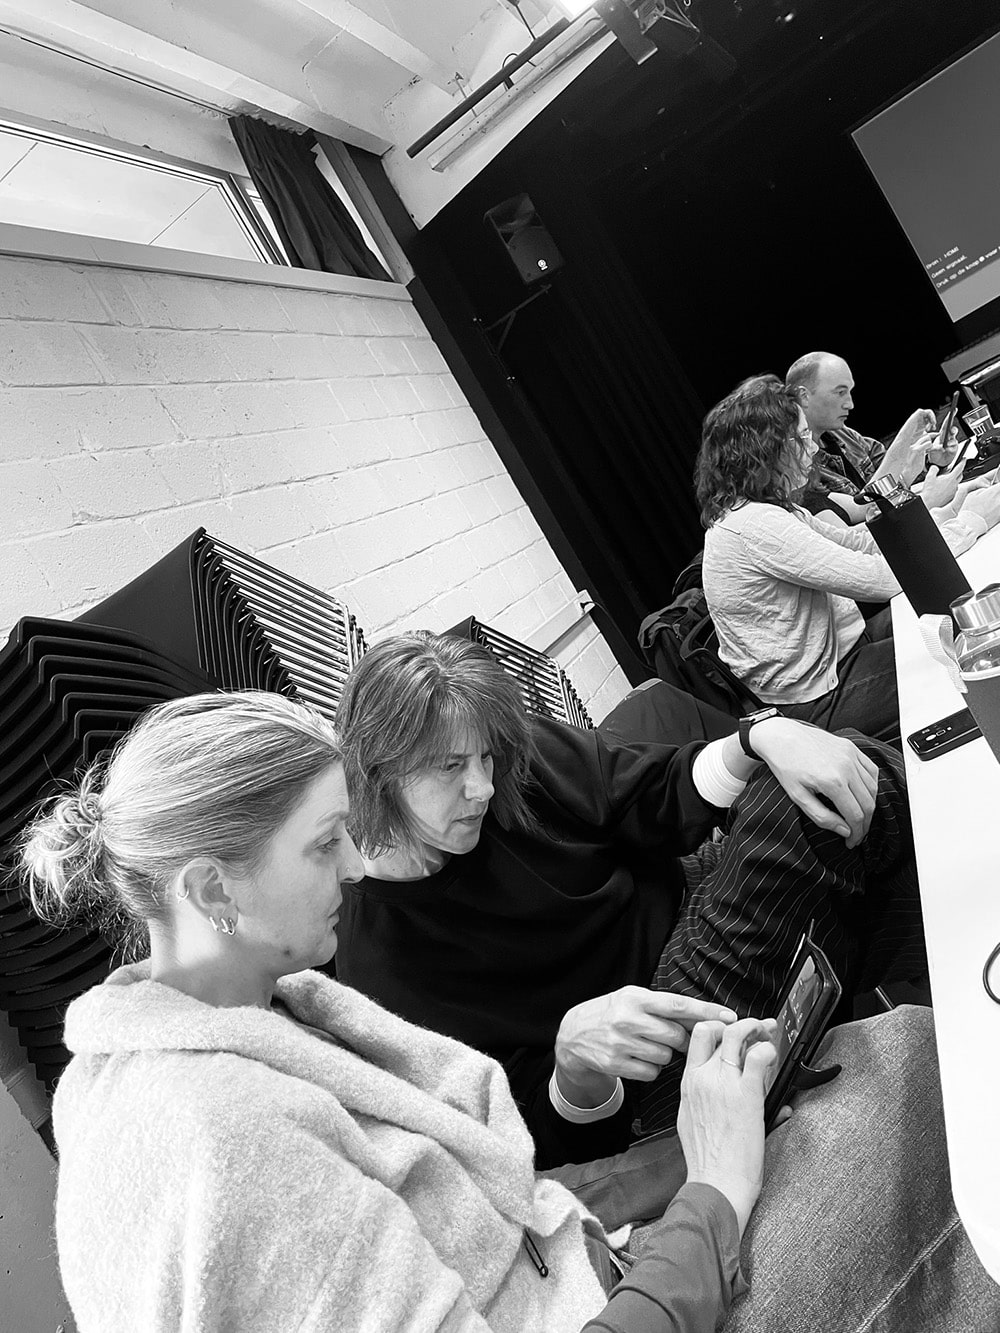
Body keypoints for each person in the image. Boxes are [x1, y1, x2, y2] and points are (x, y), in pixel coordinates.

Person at [21, 690, 1000, 1333]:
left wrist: (684, 1162)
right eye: (325, 845)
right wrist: (710, 1188)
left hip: (601, 1243)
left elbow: (506, 1202)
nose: (355, 866)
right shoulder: (224, 1139)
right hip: (620, 1283)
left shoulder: (269, 1013)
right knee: (915, 1075)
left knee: (888, 1039)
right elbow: (529, 1167)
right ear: (211, 889)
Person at [330, 630, 926, 1166]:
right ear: (378, 774)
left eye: (485, 757)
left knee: (823, 773)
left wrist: (761, 737)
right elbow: (525, 1134)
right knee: (799, 812)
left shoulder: (508, 762)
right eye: (449, 767)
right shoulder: (379, 971)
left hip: (694, 898)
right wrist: (573, 1063)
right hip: (649, 1052)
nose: (482, 786)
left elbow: (651, 791)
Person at [696, 375, 1000, 741]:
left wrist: (950, 511)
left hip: (845, 649)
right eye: (802, 438)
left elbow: (862, 542)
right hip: (822, 697)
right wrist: (972, 521)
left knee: (971, 621)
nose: (813, 448)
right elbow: (881, 579)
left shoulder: (769, 510)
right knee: (974, 654)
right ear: (766, 450)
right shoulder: (755, 525)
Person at [785, 351, 963, 525]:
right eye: (840, 392)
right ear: (804, 396)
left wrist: (931, 461)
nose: (850, 404)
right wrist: (906, 437)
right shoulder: (795, 468)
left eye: (849, 392)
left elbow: (897, 476)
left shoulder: (844, 434)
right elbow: (864, 511)